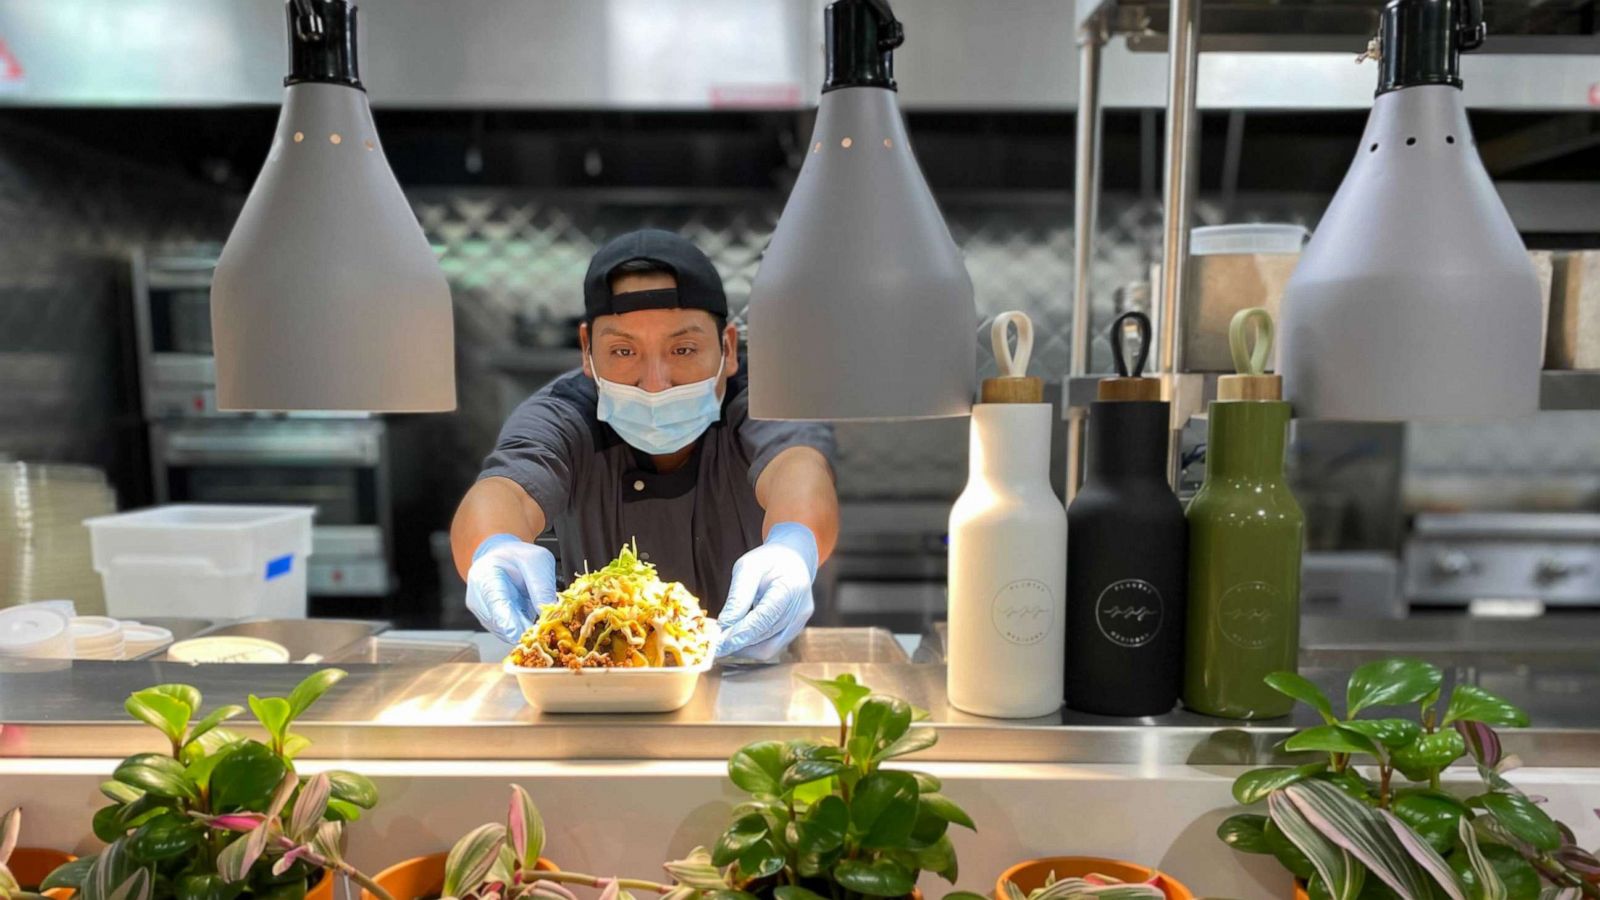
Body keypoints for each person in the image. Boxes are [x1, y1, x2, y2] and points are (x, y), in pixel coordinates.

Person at [451, 229, 839, 662]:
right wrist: (492, 551)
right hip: (599, 689)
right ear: (587, 352)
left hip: (759, 677)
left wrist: (793, 545)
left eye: (684, 348)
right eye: (622, 351)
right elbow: (505, 489)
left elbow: (799, 467)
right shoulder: (564, 412)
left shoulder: (764, 399)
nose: (655, 383)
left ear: (728, 348)